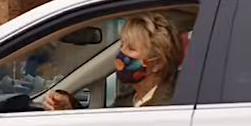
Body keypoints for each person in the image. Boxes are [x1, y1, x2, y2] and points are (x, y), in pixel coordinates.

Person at [43, 12, 184, 110]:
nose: (121, 53)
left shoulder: (168, 108)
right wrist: (68, 106)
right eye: (122, 45)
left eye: (131, 48)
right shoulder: (129, 99)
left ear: (157, 64)